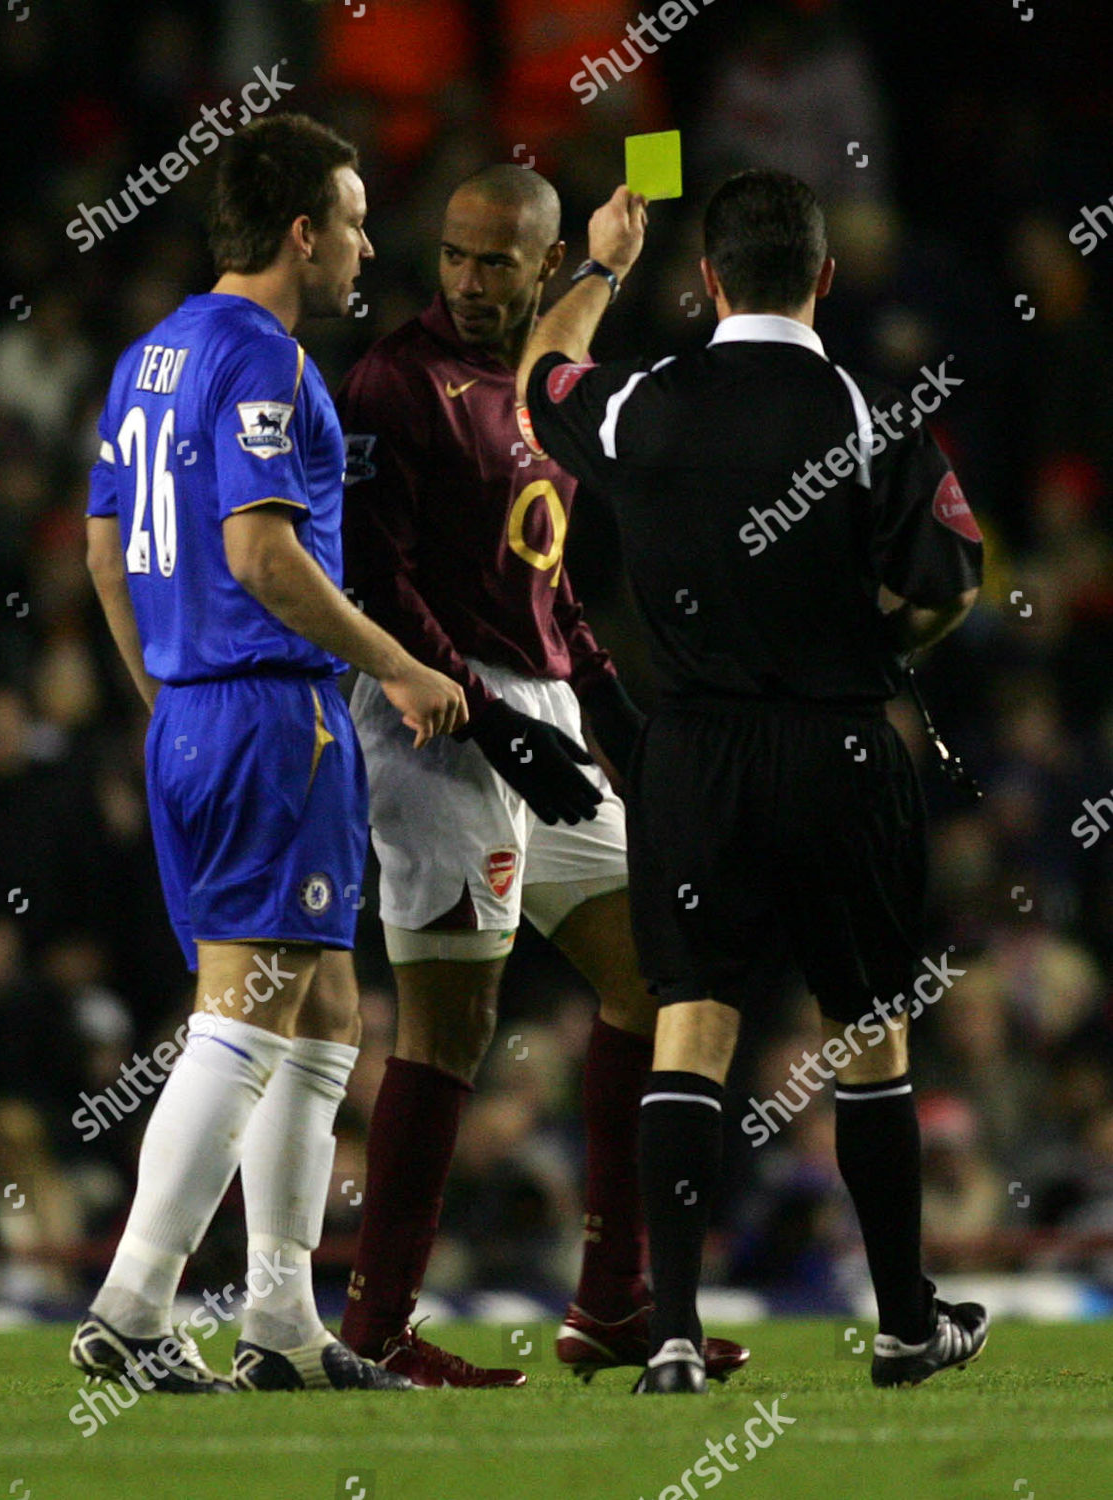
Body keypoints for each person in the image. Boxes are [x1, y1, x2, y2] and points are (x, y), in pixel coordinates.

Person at [517, 168, 989, 1393]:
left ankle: (669, 1333)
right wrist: (872, 648)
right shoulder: (866, 410)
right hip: (837, 748)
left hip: (694, 756)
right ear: (824, 279)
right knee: (867, 1037)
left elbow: (536, 387)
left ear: (709, 279)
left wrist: (599, 269)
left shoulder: (648, 402)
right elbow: (950, 582)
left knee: (692, 1028)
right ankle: (900, 1325)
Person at [335, 164, 749, 1387]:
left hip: (541, 703)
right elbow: (371, 575)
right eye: (453, 255)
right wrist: (488, 723)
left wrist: (606, 695)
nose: (466, 281)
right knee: (451, 1027)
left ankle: (612, 1301)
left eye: (494, 262)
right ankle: (377, 1325)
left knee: (655, 968)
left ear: (542, 263)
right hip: (429, 716)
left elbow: (546, 568)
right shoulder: (389, 386)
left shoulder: (533, 391)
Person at [73, 113, 466, 1396]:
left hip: (195, 713)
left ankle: (284, 1320)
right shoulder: (268, 365)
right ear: (303, 232)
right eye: (351, 221)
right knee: (244, 1009)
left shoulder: (150, 357)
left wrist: (165, 698)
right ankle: (134, 1304)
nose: (365, 245)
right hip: (264, 712)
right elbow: (260, 555)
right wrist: (398, 665)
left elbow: (101, 551)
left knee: (325, 1004)